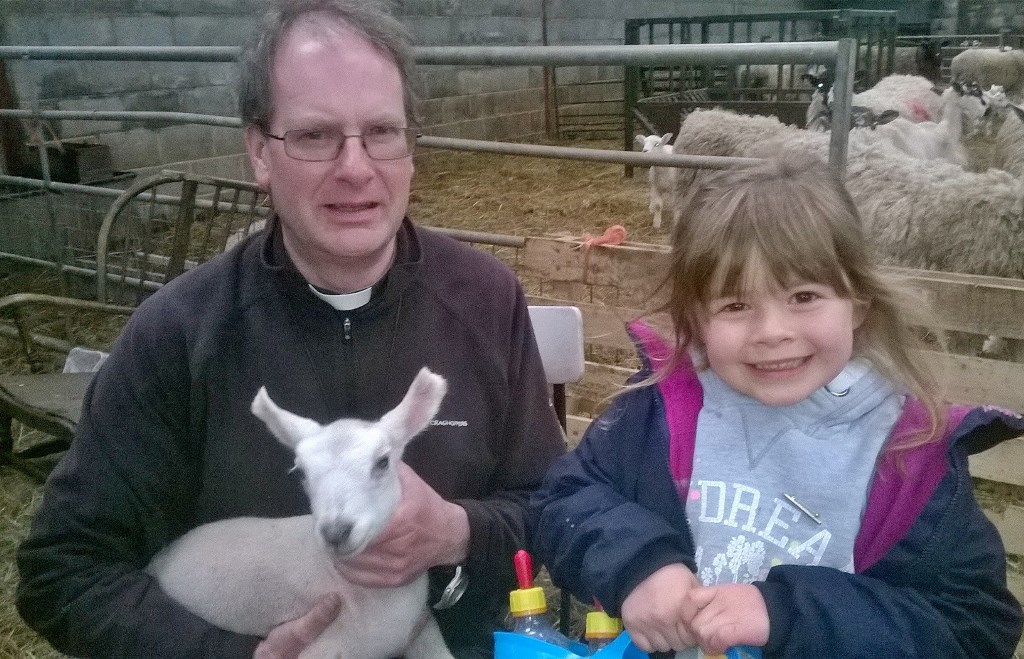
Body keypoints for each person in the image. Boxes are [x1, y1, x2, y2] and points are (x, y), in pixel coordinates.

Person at [16, 1, 566, 657]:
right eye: (314, 135)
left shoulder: (484, 298)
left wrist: (456, 530)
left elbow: (554, 508)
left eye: (382, 131)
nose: (356, 168)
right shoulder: (178, 335)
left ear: (411, 148)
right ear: (259, 153)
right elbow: (62, 568)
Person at [530, 153, 1024, 658]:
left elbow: (972, 628)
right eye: (735, 306)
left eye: (804, 296)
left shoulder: (913, 455)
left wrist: (787, 614)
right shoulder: (660, 410)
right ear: (695, 321)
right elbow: (565, 497)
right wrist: (639, 565)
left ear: (858, 304)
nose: (773, 333)